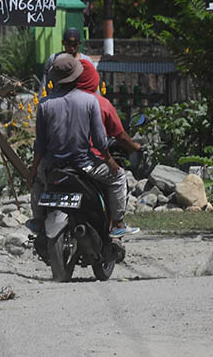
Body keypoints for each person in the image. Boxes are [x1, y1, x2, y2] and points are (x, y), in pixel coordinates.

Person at [27, 53, 122, 233]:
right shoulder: (90, 101)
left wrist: (33, 169)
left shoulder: (45, 105)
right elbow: (100, 140)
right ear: (77, 75)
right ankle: (118, 223)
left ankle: (38, 221)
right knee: (118, 177)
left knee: (38, 182)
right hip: (84, 166)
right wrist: (109, 160)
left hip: (52, 167)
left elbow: (40, 144)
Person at [74, 59, 141, 237]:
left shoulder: (60, 101)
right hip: (88, 160)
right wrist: (132, 148)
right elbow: (114, 136)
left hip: (60, 160)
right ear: (93, 79)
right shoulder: (99, 103)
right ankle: (118, 223)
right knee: (118, 176)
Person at [41, 27, 96, 93]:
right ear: (63, 43)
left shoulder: (87, 61)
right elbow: (45, 82)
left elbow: (94, 83)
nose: (71, 48)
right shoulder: (54, 59)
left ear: (79, 43)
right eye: (69, 44)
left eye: (74, 45)